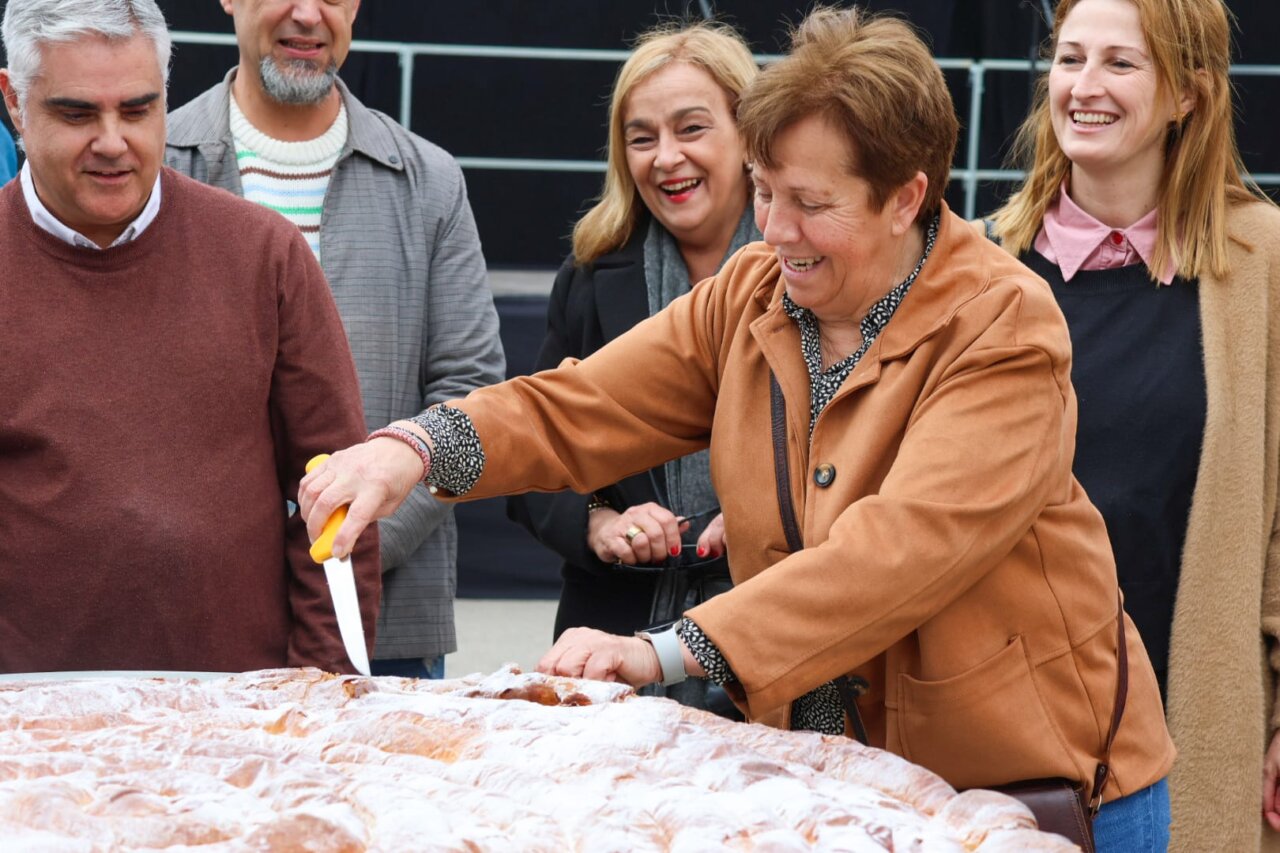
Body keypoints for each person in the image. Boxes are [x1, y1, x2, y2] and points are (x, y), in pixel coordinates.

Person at [301, 8, 1177, 848]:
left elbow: (895, 555)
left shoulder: (1005, 326)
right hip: (837, 789)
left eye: (808, 201)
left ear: (908, 196)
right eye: (764, 190)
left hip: (1029, 795)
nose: (773, 227)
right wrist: (412, 447)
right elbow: (583, 406)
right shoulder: (754, 291)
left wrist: (662, 652)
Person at [0, 0, 379, 674]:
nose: (113, 140)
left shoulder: (264, 254)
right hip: (26, 725)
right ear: (13, 103)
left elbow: (339, 495)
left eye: (139, 109)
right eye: (77, 113)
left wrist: (322, 697)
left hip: (236, 723)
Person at [986, 0, 1280, 849]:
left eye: (1121, 63)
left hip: (1191, 725)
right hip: (1003, 729)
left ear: (1189, 93)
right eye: (1070, 59)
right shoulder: (981, 264)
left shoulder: (1260, 263)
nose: (1084, 86)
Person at [166, 0, 505, 681]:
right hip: (193, 623)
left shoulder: (430, 182)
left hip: (390, 631)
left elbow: (471, 392)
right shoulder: (155, 171)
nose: (308, 13)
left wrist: (359, 535)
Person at [505, 23, 758, 672]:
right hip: (609, 638)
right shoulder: (591, 275)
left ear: (749, 130)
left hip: (766, 640)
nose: (665, 157)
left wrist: (769, 513)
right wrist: (597, 522)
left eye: (691, 128)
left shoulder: (813, 270)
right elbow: (535, 450)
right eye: (641, 138)